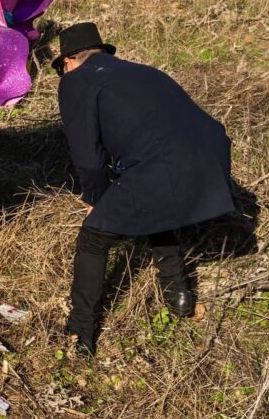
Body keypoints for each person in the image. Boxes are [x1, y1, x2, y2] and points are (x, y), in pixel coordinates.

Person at [54, 22, 235, 355]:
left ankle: (80, 330)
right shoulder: (145, 72)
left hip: (161, 165)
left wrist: (95, 198)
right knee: (153, 205)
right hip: (210, 157)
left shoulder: (76, 81)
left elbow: (87, 157)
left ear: (68, 61)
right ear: (103, 52)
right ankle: (180, 296)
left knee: (93, 238)